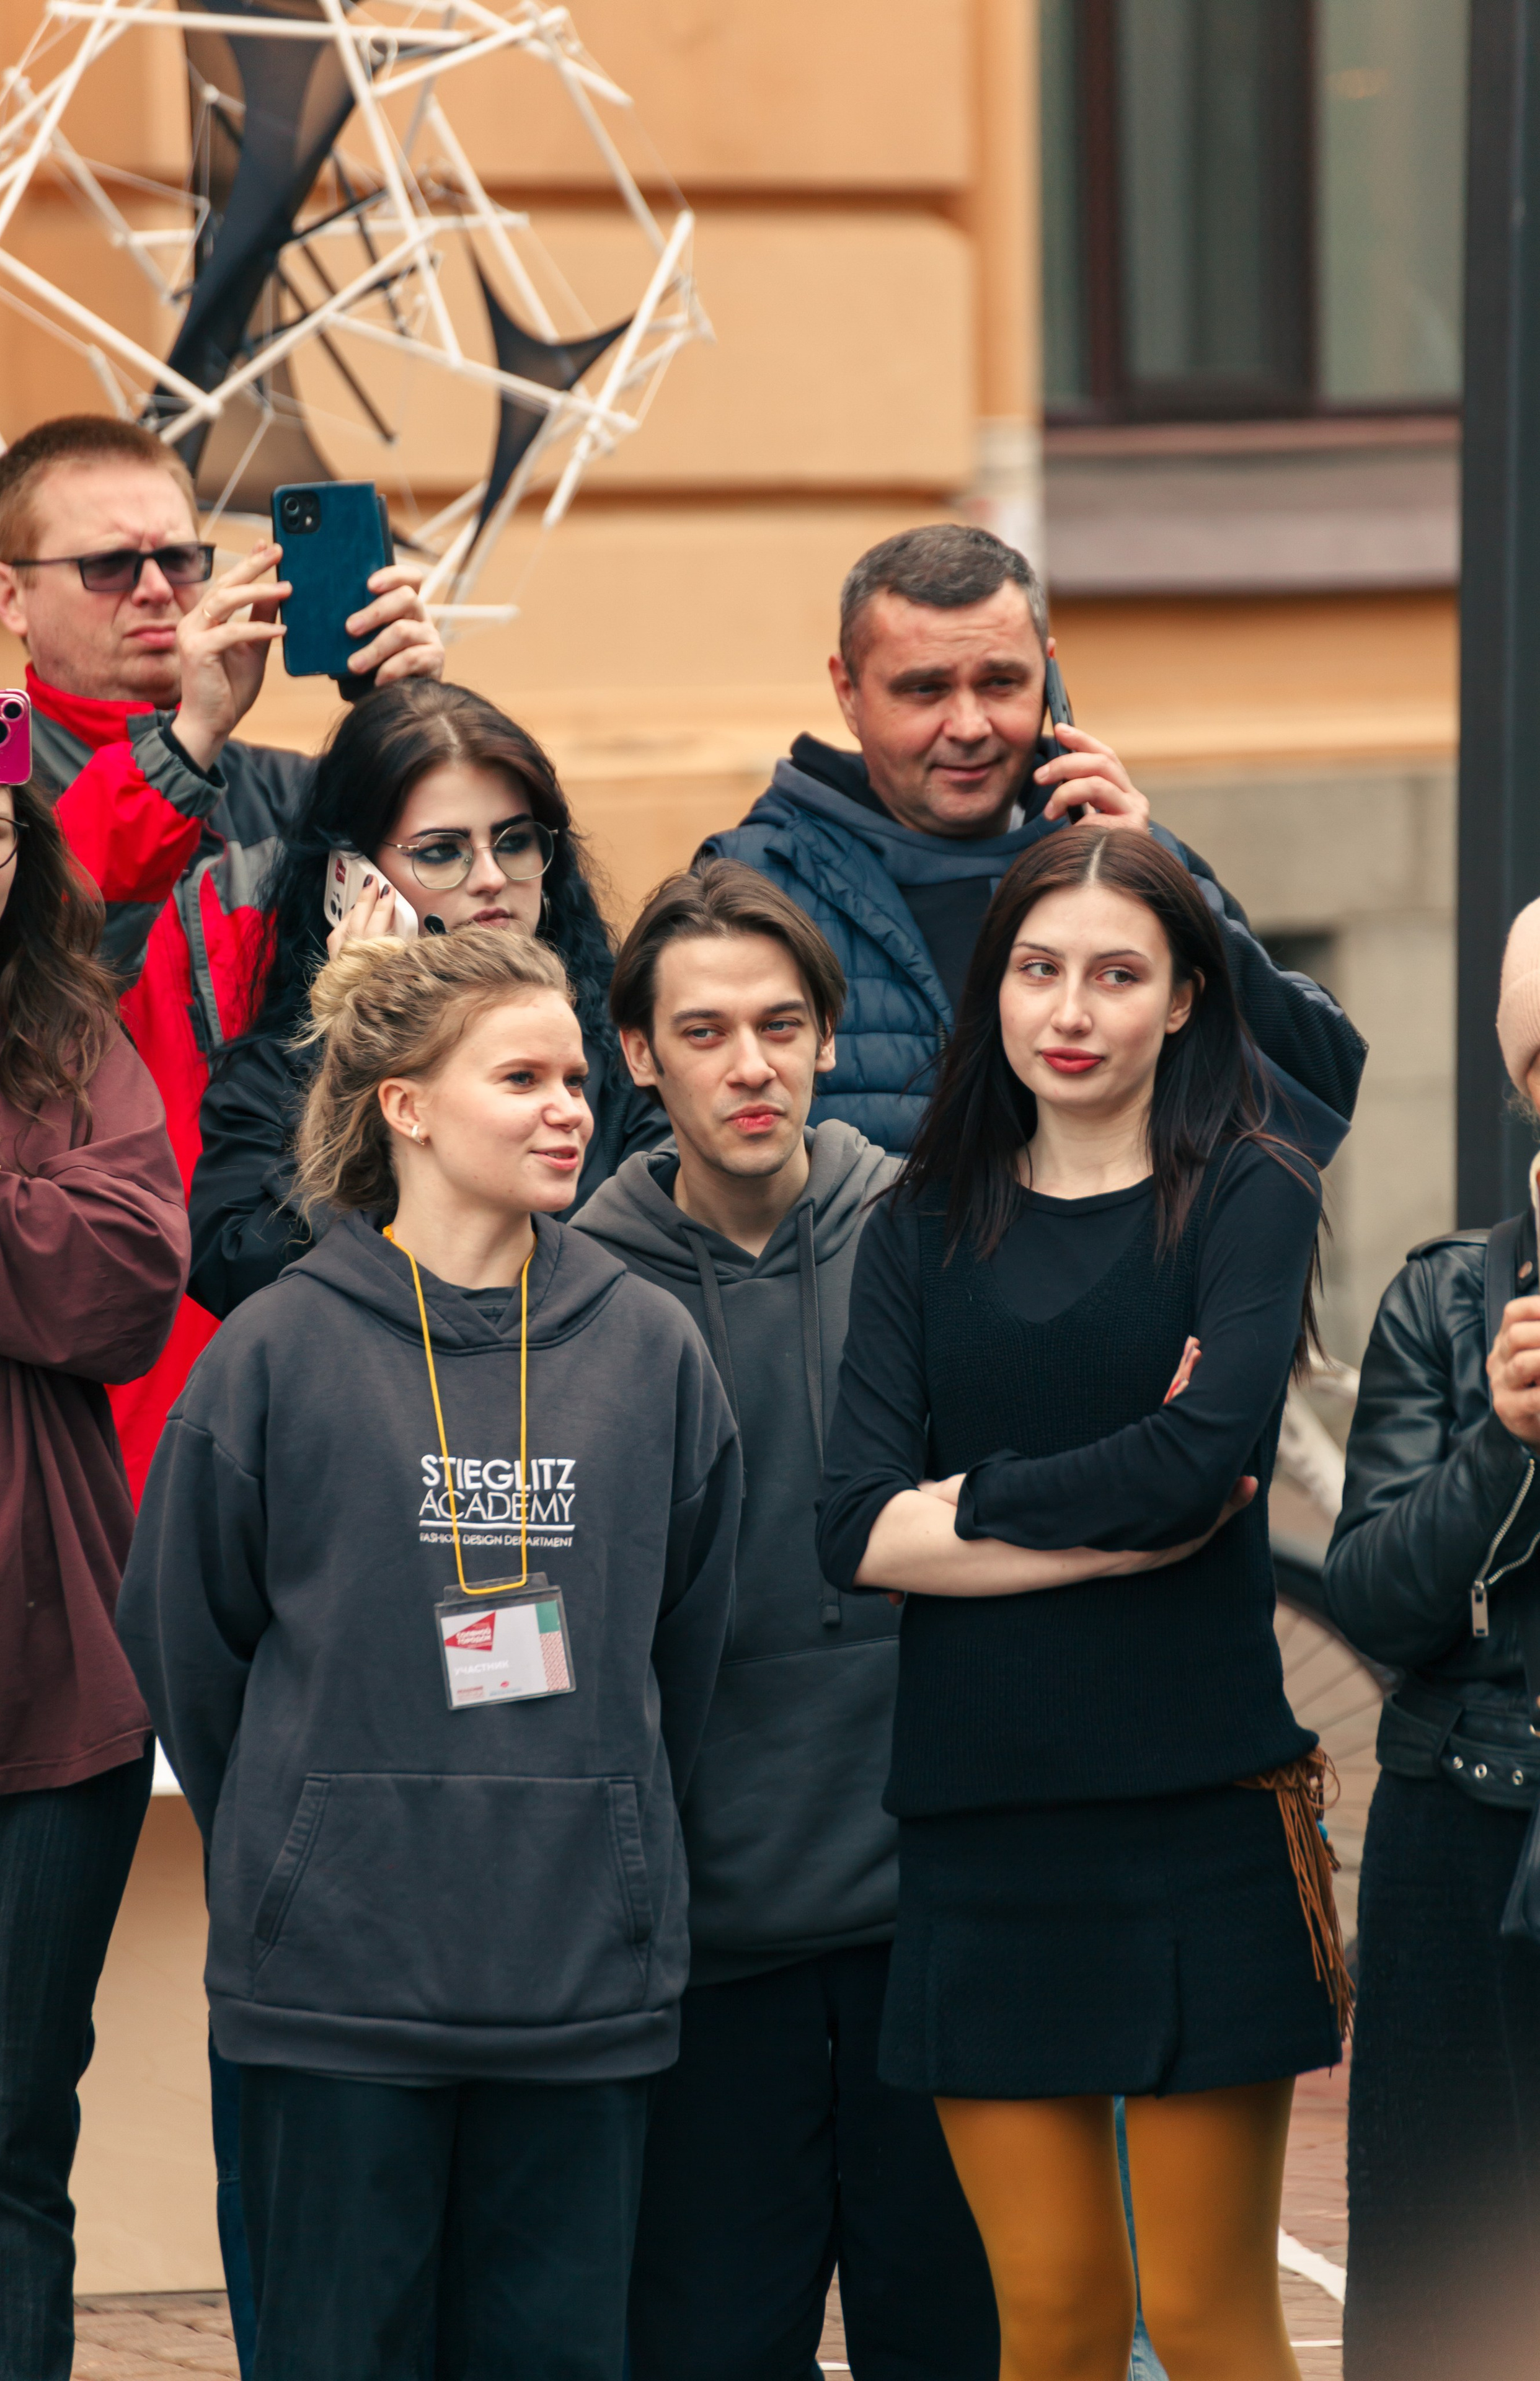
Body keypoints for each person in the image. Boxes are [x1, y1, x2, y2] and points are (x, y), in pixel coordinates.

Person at [117, 927, 741, 2381]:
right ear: (402, 1103)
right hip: (332, 1992)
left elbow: (684, 1651)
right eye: (519, 1075)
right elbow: (191, 1649)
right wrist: (303, 1828)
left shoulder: (650, 1350)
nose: (568, 1108)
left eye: (576, 1077)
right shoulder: (271, 1350)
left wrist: (603, 1825)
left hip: (579, 1984)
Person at [816, 825, 1347, 2381]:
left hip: (1193, 1817)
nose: (1071, 1008)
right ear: (991, 992)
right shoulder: (920, 1219)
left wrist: (961, 1504)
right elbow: (848, 1527)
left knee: (1201, 2315)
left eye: (1116, 974)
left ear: (1181, 996)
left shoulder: (1249, 1189)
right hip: (981, 1827)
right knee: (1043, 2317)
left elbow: (1198, 1465)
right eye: (1036, 969)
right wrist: (1112, 1526)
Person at [573, 860, 999, 2381]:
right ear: (637, 1053)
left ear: (826, 1036)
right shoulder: (574, 1287)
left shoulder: (935, 1233)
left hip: (930, 1915)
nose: (746, 1064)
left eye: (777, 1023)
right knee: (702, 2346)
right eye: (702, 1031)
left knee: (950, 2338)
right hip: (705, 1938)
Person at [0, 412, 445, 1498]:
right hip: (99, 1319)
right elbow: (46, 957)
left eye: (179, 558)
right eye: (108, 564)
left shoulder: (289, 784)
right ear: (8, 595)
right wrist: (187, 740)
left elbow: (470, 952)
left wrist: (412, 735)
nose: (156, 589)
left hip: (303, 1272)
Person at [701, 521, 1365, 1167]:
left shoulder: (1134, 857)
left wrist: (1165, 891)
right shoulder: (751, 883)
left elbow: (1313, 1109)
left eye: (1000, 684)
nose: (968, 726)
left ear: (1049, 680)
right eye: (925, 689)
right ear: (848, 692)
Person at [0, 662, 188, 2381]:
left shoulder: (71, 1040)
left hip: (39, 1700)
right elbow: (52, 1248)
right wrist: (4, 1212)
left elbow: (120, 1288)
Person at [1324, 897, 1540, 2379]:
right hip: (1466, 1830)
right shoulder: (1449, 1296)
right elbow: (1378, 1605)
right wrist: (1502, 1443)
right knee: (1445, 2306)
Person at [188, 679, 661, 1319]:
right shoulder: (275, 1076)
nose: (492, 878)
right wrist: (355, 1056)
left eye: (516, 841)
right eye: (443, 852)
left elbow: (657, 1261)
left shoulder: (624, 1048)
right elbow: (246, 1276)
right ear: (349, 879)